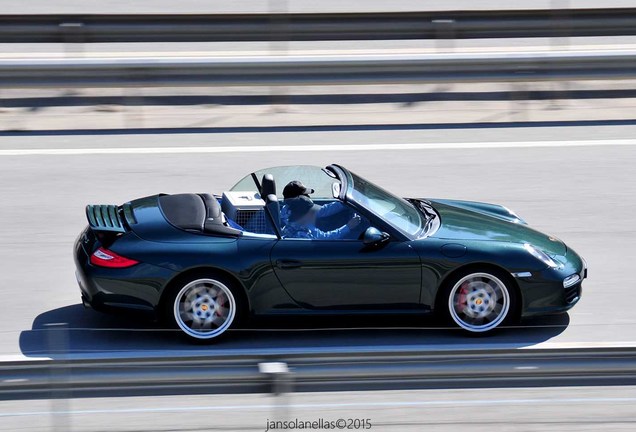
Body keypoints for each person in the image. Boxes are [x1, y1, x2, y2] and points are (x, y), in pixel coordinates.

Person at [282, 195, 361, 240]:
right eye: (312, 211)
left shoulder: (292, 221)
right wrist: (348, 227)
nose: (315, 213)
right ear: (304, 215)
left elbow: (324, 210)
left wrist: (344, 203)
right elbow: (327, 238)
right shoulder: (304, 234)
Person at [280, 180, 346, 226]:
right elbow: (325, 210)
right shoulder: (305, 211)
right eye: (305, 195)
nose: (308, 196)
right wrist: (344, 203)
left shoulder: (283, 210)